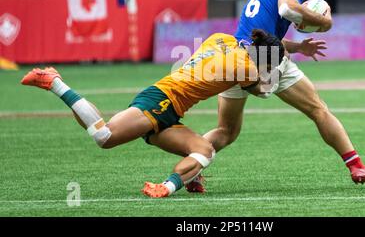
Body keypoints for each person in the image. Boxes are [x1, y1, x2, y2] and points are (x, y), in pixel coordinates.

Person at [189, 0, 365, 192]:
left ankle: (189, 170)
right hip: (263, 59)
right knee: (318, 110)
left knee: (226, 130)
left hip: (236, 56)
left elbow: (261, 32)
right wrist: (324, 21)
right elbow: (287, 9)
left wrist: (298, 47)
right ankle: (356, 166)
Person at [21, 30, 287, 198]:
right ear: (264, 60)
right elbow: (261, 90)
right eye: (268, 64)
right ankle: (54, 82)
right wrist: (275, 77)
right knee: (104, 136)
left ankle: (167, 187)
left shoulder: (221, 38)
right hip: (160, 101)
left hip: (170, 110)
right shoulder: (247, 68)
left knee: (205, 150)